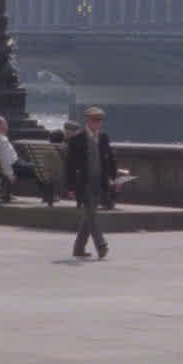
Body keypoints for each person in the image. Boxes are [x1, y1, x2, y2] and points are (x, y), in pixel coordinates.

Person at [64, 106, 118, 260]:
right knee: (92, 215)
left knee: (89, 215)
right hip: (83, 182)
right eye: (95, 120)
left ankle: (78, 248)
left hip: (99, 181)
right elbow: (69, 166)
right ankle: (101, 245)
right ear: (88, 121)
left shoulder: (103, 138)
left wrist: (113, 177)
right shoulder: (76, 140)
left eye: (100, 120)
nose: (98, 123)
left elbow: (110, 159)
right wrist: (70, 186)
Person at [0, 115, 39, 200]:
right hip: (16, 166)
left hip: (3, 166)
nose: (7, 127)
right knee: (40, 168)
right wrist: (9, 175)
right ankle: (48, 195)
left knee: (37, 166)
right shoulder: (2, 140)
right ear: (1, 126)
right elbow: (5, 159)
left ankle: (1, 192)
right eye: (6, 124)